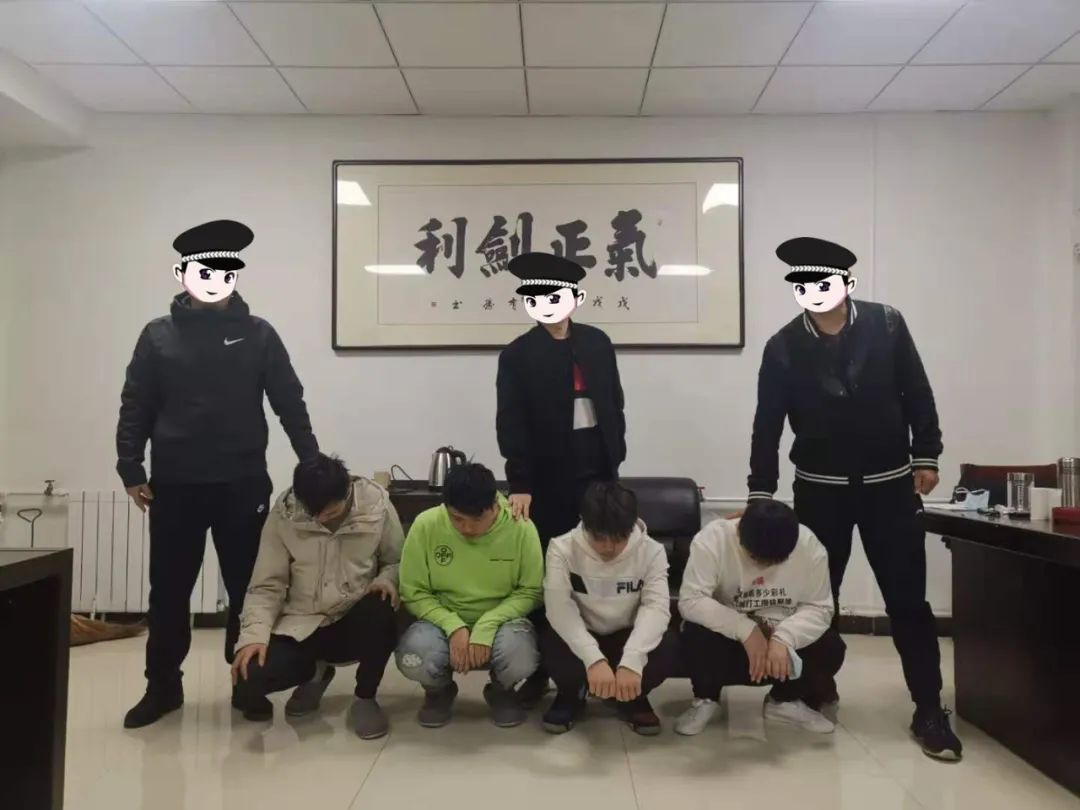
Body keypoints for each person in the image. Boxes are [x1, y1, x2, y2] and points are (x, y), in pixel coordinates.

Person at [744, 236, 961, 760]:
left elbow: (917, 391)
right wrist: (760, 491)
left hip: (890, 486)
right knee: (820, 600)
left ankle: (928, 709)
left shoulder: (887, 324)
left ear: (845, 284)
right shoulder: (782, 346)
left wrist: (927, 454)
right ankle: (816, 687)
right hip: (820, 492)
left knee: (907, 601)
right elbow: (767, 423)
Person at [116, 219, 319, 729]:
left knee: (249, 589)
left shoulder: (259, 334)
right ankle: (162, 688)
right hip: (175, 484)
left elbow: (289, 401)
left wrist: (310, 460)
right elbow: (136, 403)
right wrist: (129, 465)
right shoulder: (157, 336)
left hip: (241, 482)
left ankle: (247, 685)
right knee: (168, 592)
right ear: (183, 274)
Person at [497, 251, 627, 706]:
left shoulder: (597, 342)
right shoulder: (517, 354)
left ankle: (604, 665)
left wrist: (616, 458)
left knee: (598, 567)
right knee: (550, 575)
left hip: (599, 471)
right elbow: (510, 421)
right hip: (547, 478)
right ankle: (549, 673)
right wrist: (520, 483)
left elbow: (614, 402)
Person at [230, 454, 403, 739]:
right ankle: (315, 674)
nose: (321, 520)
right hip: (302, 624)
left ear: (346, 492)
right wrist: (253, 637)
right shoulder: (285, 514)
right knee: (250, 676)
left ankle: (365, 697)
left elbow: (395, 561)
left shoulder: (376, 504)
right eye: (314, 514)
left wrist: (386, 581)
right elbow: (266, 585)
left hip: (353, 615)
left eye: (330, 513)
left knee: (381, 606)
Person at [676, 499, 845, 736]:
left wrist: (784, 638)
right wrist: (746, 630)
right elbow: (691, 601)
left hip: (782, 641)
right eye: (756, 558)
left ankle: (783, 701)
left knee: (831, 647)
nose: (765, 567)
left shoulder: (808, 544)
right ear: (738, 532)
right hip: (731, 638)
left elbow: (820, 608)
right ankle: (706, 699)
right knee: (695, 634)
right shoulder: (713, 539)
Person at [395, 463, 543, 728]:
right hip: (441, 620)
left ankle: (502, 691)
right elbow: (413, 591)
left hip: (503, 621)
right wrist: (453, 625)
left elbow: (531, 590)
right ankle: (438, 692)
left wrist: (487, 624)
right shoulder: (426, 524)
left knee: (522, 656)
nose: (467, 528)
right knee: (413, 656)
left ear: (494, 505)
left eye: (477, 520)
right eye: (457, 519)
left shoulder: (521, 527)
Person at [541, 480, 677, 735]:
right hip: (583, 634)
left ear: (631, 526)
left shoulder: (652, 551)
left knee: (666, 645)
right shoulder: (561, 548)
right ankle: (571, 694)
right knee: (551, 638)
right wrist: (593, 659)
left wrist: (632, 660)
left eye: (619, 538)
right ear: (585, 524)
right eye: (599, 538)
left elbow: (656, 608)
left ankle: (632, 697)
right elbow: (559, 609)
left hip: (626, 635)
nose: (609, 547)